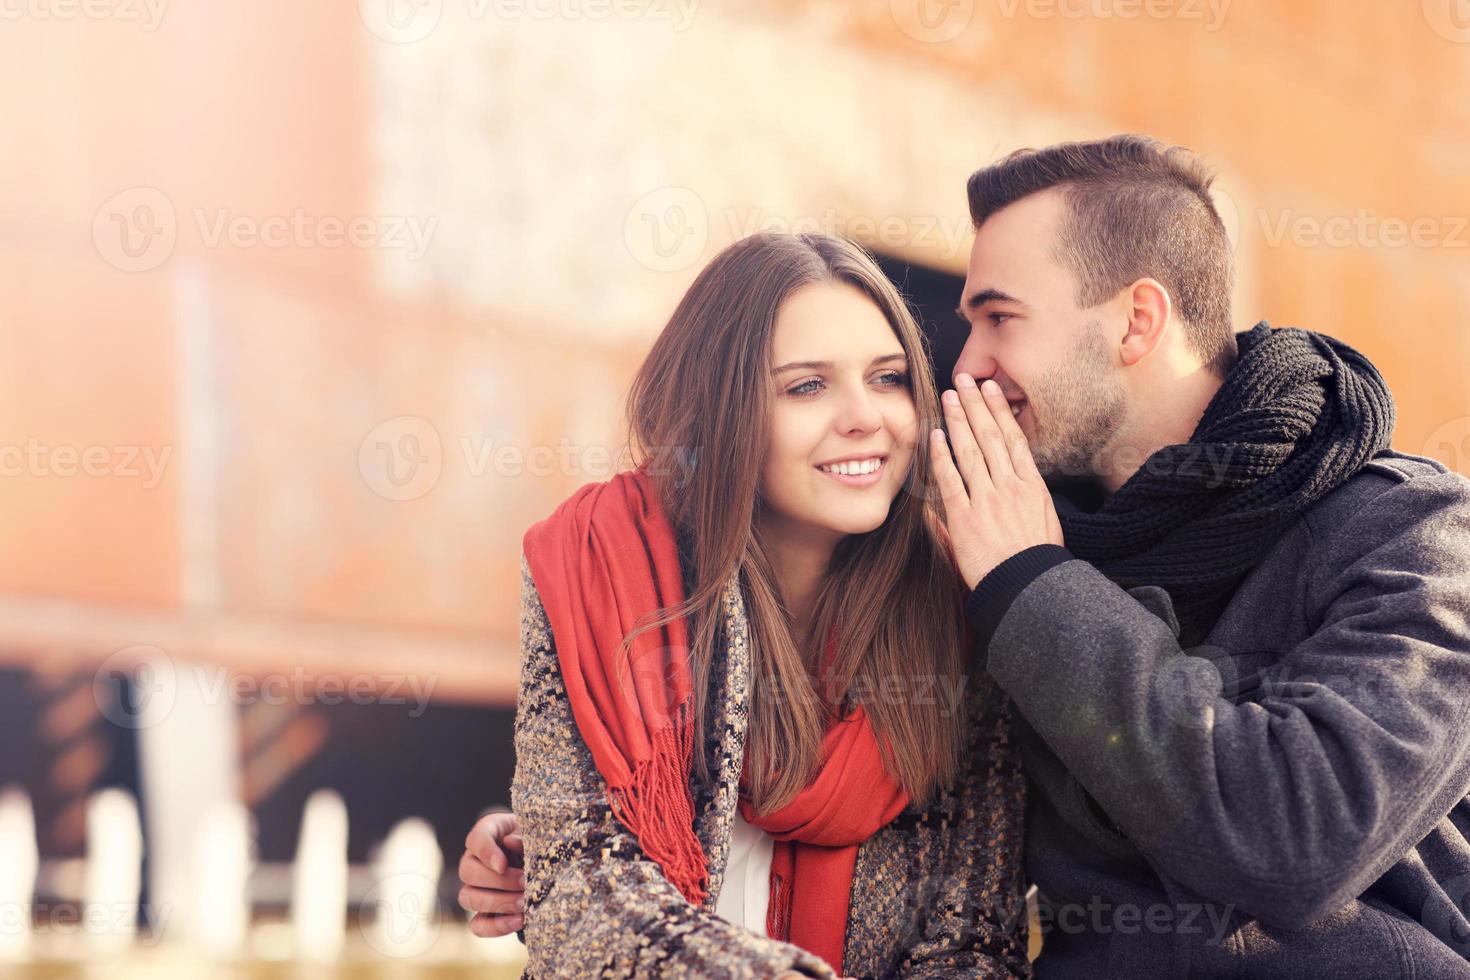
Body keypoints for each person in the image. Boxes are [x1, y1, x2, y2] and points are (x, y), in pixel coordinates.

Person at [462, 135, 1470, 978]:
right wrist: (561, 835)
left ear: (1137, 319)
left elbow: (1290, 841)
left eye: (998, 316)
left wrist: (1038, 589)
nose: (970, 363)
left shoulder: (1409, 534)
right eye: (805, 383)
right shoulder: (999, 540)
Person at [483, 231, 1033, 978]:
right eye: (807, 386)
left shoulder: (962, 608)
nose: (865, 417)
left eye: (888, 378)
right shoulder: (595, 568)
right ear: (719, 413)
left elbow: (970, 939)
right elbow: (582, 888)